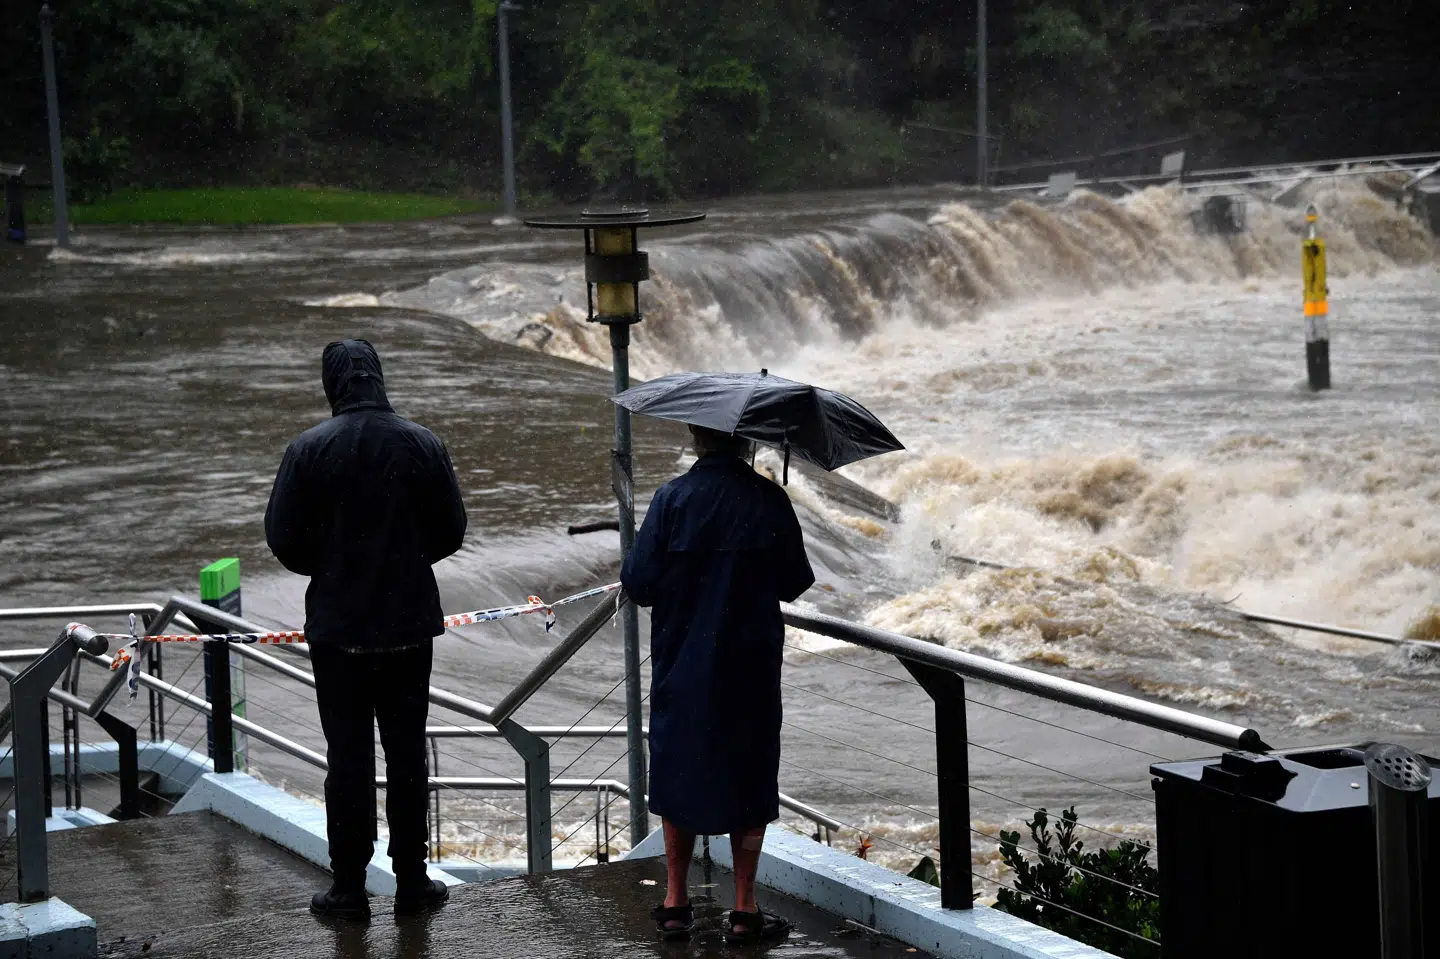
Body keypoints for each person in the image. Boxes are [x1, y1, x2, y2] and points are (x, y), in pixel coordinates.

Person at [265, 339, 467, 922]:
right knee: (407, 758)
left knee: (346, 759)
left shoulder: (306, 450)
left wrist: (331, 567)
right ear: (378, 378)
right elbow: (451, 530)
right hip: (408, 626)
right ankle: (413, 882)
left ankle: (349, 888)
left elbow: (282, 539)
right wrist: (404, 559)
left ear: (332, 385)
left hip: (338, 631)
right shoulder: (422, 443)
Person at [621, 424, 815, 944]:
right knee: (748, 776)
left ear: (695, 438)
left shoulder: (671, 498)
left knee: (677, 768)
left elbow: (638, 583)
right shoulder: (768, 500)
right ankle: (745, 909)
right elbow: (795, 581)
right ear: (747, 442)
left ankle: (676, 901)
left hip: (682, 663)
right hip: (748, 666)